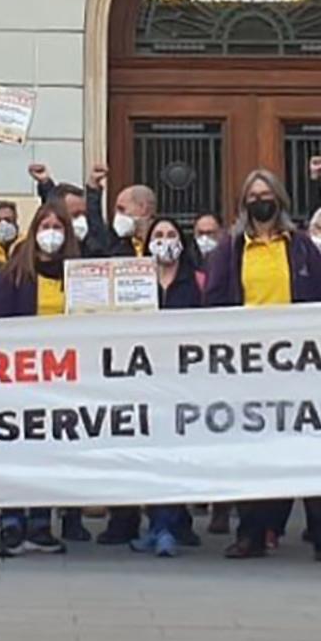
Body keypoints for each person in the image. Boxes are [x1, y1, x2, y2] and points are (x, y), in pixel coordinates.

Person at [201, 169, 321, 564]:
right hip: (248, 366)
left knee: (311, 449)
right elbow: (214, 301)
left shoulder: (300, 247)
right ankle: (251, 533)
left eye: (266, 195)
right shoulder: (230, 249)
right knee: (254, 451)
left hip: (300, 363)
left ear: (279, 200)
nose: (259, 202)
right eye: (253, 196)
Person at [0, 201, 83, 556]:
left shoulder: (79, 274)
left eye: (58, 227)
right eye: (45, 227)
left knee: (48, 453)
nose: (51, 234)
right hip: (19, 377)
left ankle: (41, 524)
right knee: (15, 452)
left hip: (62, 379)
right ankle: (11, 522)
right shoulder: (14, 274)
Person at [127, 216, 205, 557]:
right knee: (151, 455)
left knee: (175, 455)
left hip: (182, 380)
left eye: (171, 234)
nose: (165, 240)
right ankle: (160, 525)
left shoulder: (197, 282)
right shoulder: (134, 281)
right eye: (158, 235)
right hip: (143, 378)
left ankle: (168, 525)